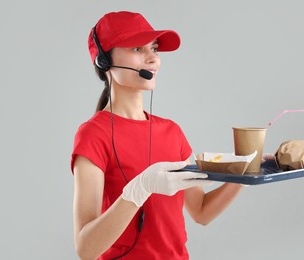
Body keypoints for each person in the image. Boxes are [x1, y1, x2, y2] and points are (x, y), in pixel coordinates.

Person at [71, 11, 246, 260]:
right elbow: (86, 249)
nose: (153, 59)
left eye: (153, 48)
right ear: (104, 61)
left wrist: (244, 173)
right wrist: (139, 190)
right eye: (137, 49)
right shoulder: (93, 135)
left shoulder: (171, 132)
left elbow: (201, 211)